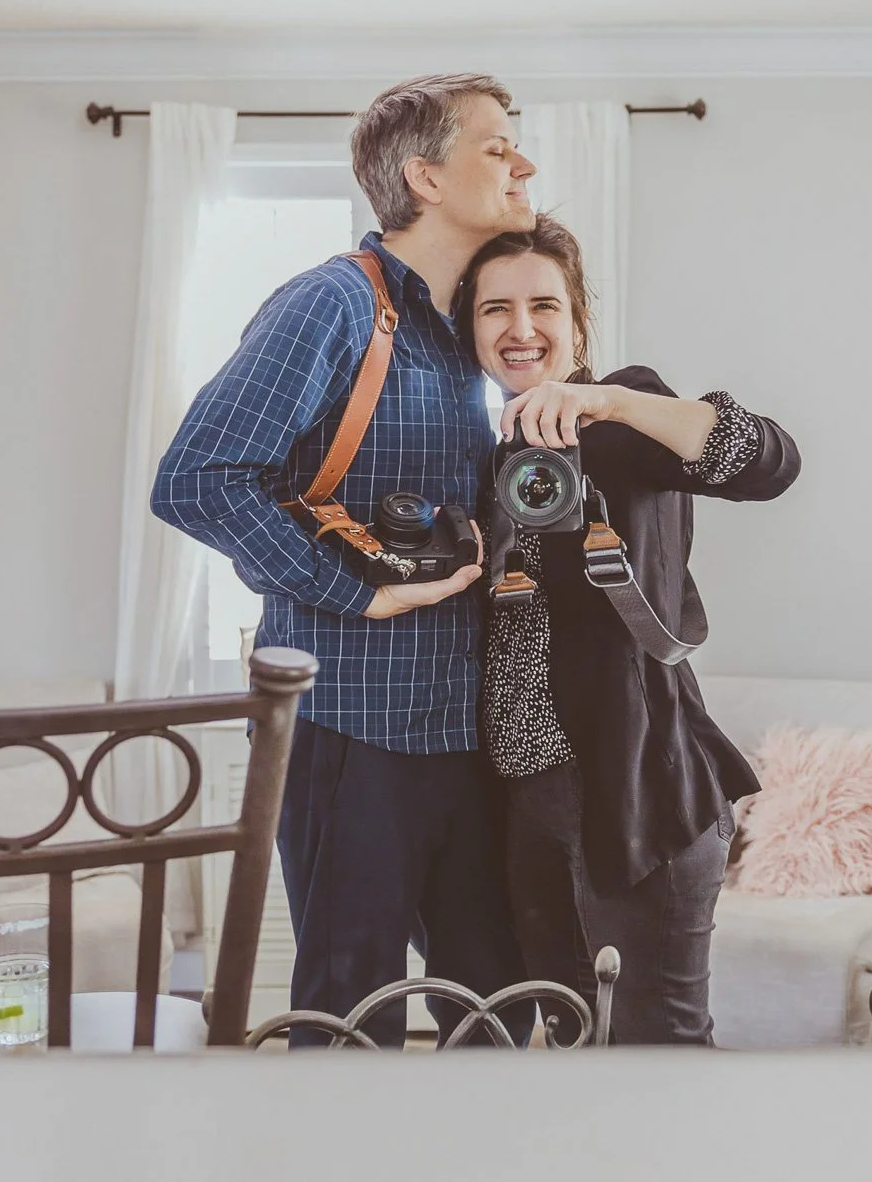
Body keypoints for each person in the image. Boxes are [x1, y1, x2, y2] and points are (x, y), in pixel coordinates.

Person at [151, 74, 538, 1048]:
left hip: (466, 731)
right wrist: (355, 593)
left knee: (495, 1007)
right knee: (343, 1011)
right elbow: (196, 478)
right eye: (497, 147)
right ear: (425, 176)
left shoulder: (468, 329)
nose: (522, 164)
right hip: (350, 725)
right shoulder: (330, 302)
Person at [453, 213, 801, 1045]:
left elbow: (770, 462)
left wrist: (607, 399)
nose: (521, 328)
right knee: (574, 1045)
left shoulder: (624, 418)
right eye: (495, 309)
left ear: (578, 324)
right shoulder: (487, 452)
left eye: (544, 306)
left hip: (639, 784)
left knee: (660, 1050)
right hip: (527, 797)